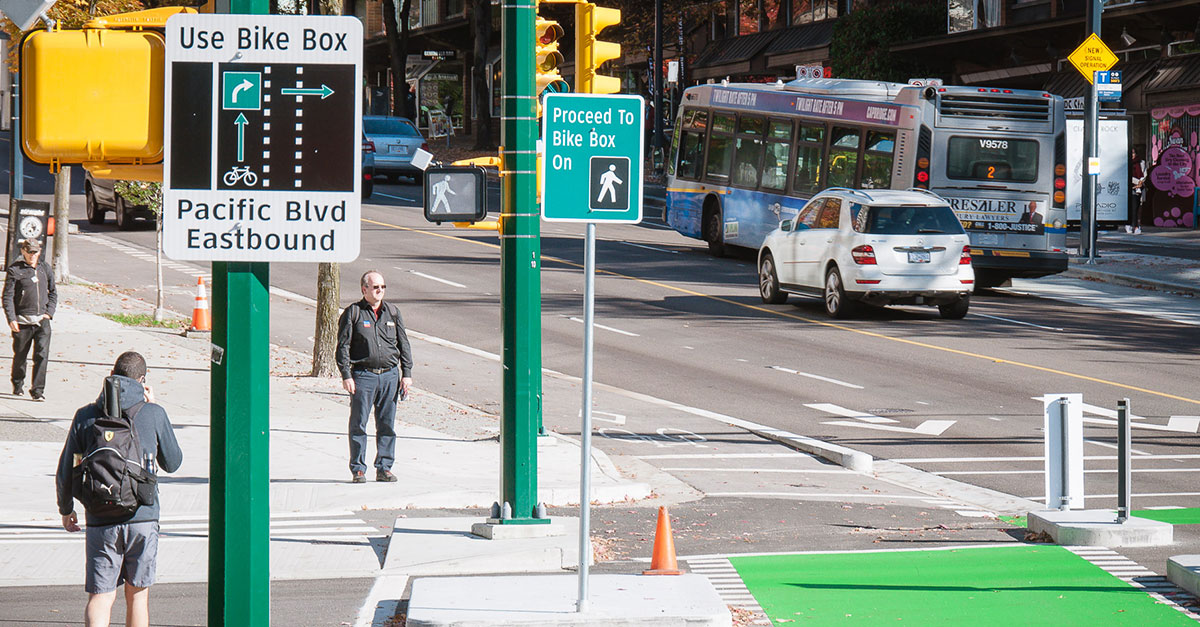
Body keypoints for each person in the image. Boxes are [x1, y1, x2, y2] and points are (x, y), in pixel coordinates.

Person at [55, 351, 183, 627]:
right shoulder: (153, 413)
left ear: (112, 376)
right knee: (137, 596)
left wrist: (66, 509)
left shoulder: (86, 415)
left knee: (101, 596)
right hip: (143, 516)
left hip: (101, 517)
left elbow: (67, 467)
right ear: (142, 381)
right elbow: (173, 462)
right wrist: (154, 407)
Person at [337, 270, 413, 483]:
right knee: (359, 423)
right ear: (364, 289)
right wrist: (346, 375)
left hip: (389, 376)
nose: (380, 290)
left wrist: (406, 374)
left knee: (387, 424)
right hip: (363, 376)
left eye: (383, 287)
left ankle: (384, 467)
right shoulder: (354, 313)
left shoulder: (393, 312)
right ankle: (358, 469)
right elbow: (342, 346)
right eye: (376, 287)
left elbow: (403, 344)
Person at [3, 238, 56, 400]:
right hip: (23, 322)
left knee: (42, 355)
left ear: (39, 252)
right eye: (30, 252)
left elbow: (53, 293)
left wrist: (49, 313)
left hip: (42, 321)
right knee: (20, 356)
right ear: (23, 251)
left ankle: (38, 390)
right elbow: (8, 296)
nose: (33, 255)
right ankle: (18, 383)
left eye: (35, 252)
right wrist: (11, 318)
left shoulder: (45, 268)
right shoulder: (15, 270)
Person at [1128, 147, 1147, 234]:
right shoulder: (1127, 163)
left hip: (1139, 188)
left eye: (1133, 153)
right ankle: (1133, 225)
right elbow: (1127, 175)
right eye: (1131, 153)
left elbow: (1145, 173)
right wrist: (1137, 182)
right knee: (1132, 208)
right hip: (1131, 187)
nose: (1132, 155)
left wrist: (1141, 182)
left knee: (1137, 207)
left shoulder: (1142, 162)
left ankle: (1135, 225)